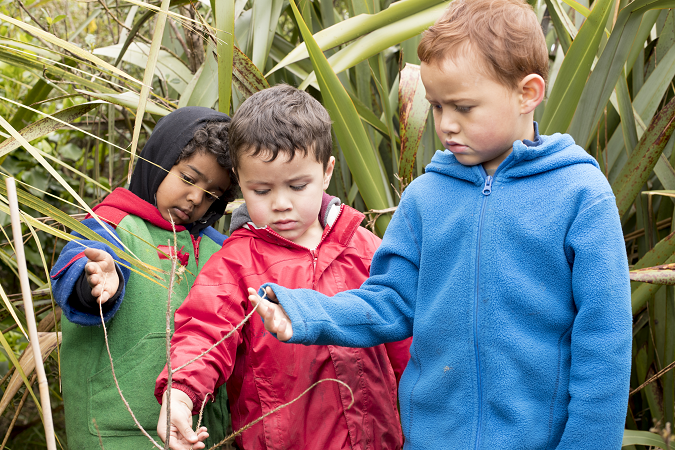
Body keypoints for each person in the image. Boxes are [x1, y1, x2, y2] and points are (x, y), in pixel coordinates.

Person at [249, 1, 633, 449]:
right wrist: (306, 312)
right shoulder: (425, 198)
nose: (446, 125)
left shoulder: (580, 195)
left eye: (464, 107)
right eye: (436, 106)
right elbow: (389, 301)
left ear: (528, 92)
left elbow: (604, 341)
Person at [155, 85, 411, 450]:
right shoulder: (235, 264)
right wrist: (180, 393)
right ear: (241, 184)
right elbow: (203, 332)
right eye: (261, 190)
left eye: (297, 185)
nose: (280, 204)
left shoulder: (366, 248)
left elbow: (406, 343)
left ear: (326, 172)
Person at [50, 107, 237, 450]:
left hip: (202, 434)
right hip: (116, 433)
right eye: (188, 178)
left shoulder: (218, 247)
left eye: (212, 194)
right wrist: (95, 285)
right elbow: (74, 267)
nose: (196, 198)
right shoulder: (112, 225)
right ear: (159, 160)